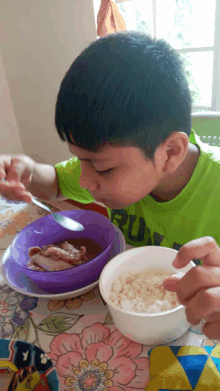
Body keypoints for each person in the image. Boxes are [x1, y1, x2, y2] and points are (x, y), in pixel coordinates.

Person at [1, 31, 220, 339]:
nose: (84, 180)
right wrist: (25, 171)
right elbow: (52, 186)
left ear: (169, 153)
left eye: (101, 168)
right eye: (80, 160)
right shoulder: (105, 165)